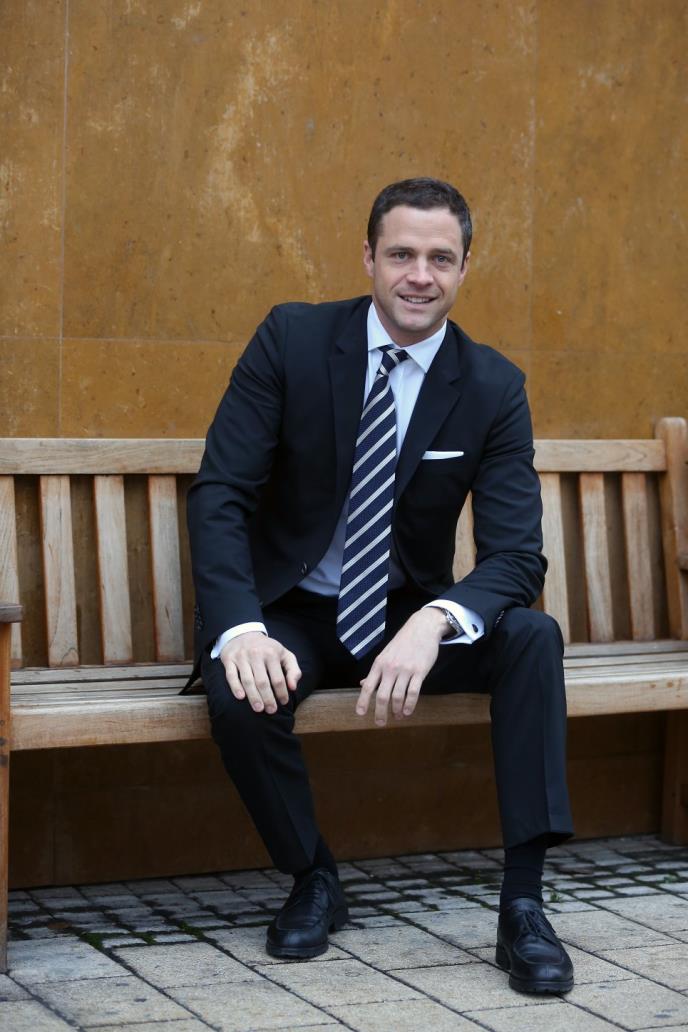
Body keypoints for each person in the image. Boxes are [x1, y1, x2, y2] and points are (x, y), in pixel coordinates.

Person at [185, 177, 575, 994]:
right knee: (239, 690)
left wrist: (436, 621)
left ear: (465, 267)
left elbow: (516, 556)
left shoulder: (493, 386)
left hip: (404, 619)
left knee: (533, 638)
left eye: (440, 258)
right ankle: (313, 877)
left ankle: (524, 907)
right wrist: (239, 628)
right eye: (401, 254)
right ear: (368, 257)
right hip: (291, 611)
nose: (419, 276)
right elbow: (221, 493)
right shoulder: (292, 341)